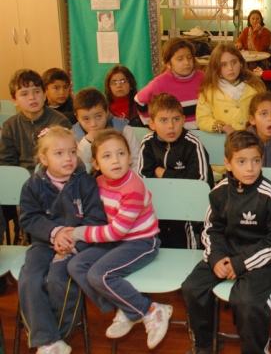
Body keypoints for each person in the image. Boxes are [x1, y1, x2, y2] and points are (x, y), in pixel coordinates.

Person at [182, 130, 271, 354]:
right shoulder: (219, 191)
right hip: (225, 252)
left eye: (256, 161)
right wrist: (216, 258)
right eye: (241, 161)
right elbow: (211, 229)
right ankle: (205, 346)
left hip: (261, 258)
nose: (250, 168)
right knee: (192, 288)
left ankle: (255, 350)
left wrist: (241, 263)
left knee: (246, 301)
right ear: (228, 164)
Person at [67, 129, 172, 350]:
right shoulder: (99, 182)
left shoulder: (132, 187)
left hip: (142, 242)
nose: (115, 161)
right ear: (95, 163)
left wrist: (77, 233)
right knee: (76, 265)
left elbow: (116, 232)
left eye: (121, 153)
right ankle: (123, 308)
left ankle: (150, 309)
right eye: (107, 156)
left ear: (129, 157)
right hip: (115, 242)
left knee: (99, 275)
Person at [18, 126, 108, 354]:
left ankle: (55, 337)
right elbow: (29, 218)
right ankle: (49, 341)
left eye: (72, 152)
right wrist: (55, 232)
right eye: (59, 153)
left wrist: (72, 240)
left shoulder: (86, 182)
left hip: (76, 246)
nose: (68, 158)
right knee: (30, 279)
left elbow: (96, 219)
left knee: (60, 278)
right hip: (43, 243)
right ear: (43, 159)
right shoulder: (33, 184)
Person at [138, 93, 214, 248]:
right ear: (151, 124)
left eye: (176, 119)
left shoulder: (193, 144)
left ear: (183, 120)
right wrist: (177, 179)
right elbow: (144, 180)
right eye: (163, 120)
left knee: (183, 237)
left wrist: (163, 173)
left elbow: (200, 183)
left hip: (188, 206)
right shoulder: (148, 143)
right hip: (158, 204)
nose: (171, 126)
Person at [0, 69, 71, 172]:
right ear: (14, 101)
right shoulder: (10, 126)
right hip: (21, 179)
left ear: (44, 94)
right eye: (24, 94)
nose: (32, 97)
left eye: (37, 92)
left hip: (52, 176)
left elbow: (65, 158)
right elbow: (6, 163)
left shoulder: (60, 122)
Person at [196, 44, 266, 134]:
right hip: (224, 141)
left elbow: (265, 111)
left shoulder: (256, 87)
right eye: (224, 65)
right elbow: (202, 119)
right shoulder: (209, 92)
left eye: (234, 62)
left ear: (241, 63)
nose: (230, 68)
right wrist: (223, 127)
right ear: (216, 68)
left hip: (253, 139)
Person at [135, 37, 204, 129]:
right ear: (168, 62)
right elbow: (139, 100)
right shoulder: (159, 83)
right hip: (175, 137)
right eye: (180, 59)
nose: (186, 62)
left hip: (204, 134)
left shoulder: (203, 78)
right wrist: (151, 124)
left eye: (189, 57)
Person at [71, 88, 140, 172]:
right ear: (77, 117)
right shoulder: (72, 136)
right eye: (86, 119)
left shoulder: (123, 130)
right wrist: (87, 141)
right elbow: (79, 165)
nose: (93, 124)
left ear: (107, 111)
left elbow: (136, 160)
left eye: (98, 116)